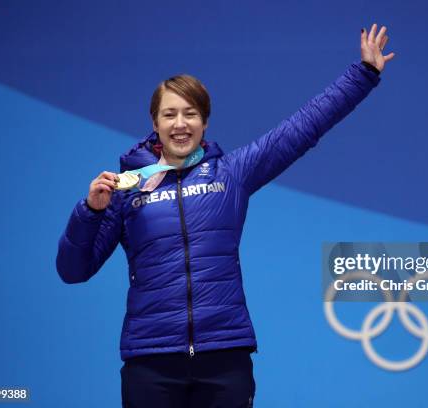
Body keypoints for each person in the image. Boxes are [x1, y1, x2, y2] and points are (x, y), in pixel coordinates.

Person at [56, 23, 395, 408]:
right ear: (155, 123)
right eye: (169, 115)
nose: (180, 124)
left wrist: (363, 75)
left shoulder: (231, 173)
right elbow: (73, 270)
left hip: (224, 357)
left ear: (204, 122)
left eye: (190, 114)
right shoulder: (125, 189)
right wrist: (90, 212)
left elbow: (303, 128)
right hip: (151, 361)